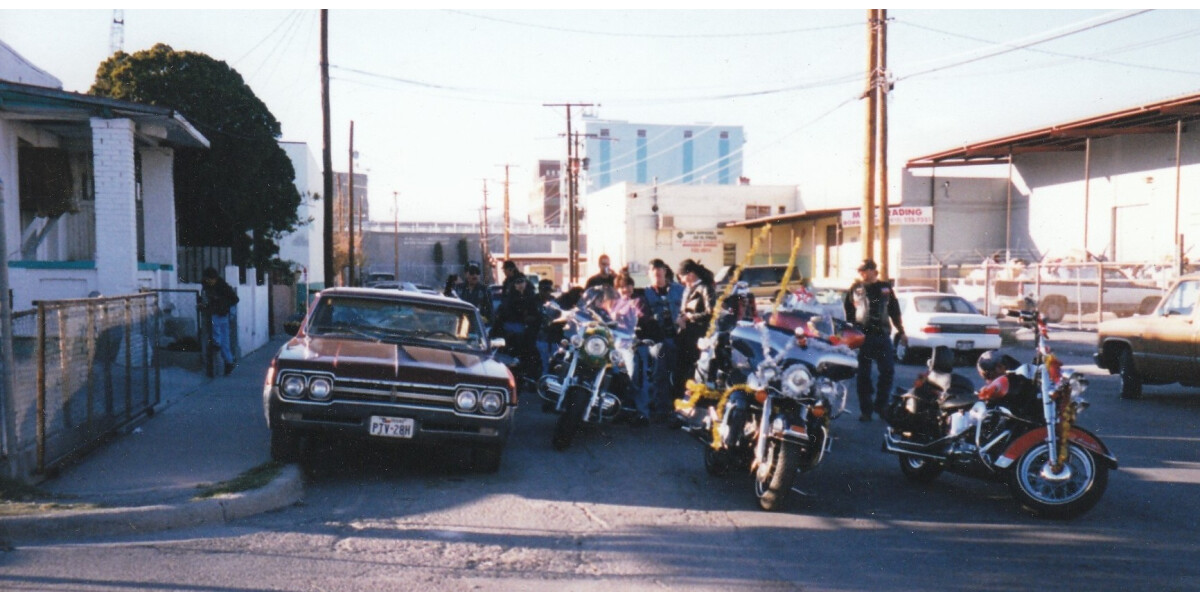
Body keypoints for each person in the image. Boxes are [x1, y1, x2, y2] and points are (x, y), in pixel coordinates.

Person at [843, 258, 906, 422]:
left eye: (864, 270)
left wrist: (901, 331)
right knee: (863, 374)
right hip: (863, 336)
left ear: (873, 270)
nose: (861, 273)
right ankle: (866, 410)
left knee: (887, 371)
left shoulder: (885, 288)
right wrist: (850, 332)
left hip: (882, 335)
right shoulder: (856, 289)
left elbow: (894, 311)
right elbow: (848, 312)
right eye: (860, 271)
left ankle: (881, 405)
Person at [640, 260, 684, 423]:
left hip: (679, 337)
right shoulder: (645, 294)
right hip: (657, 339)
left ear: (665, 271)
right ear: (649, 274)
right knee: (660, 370)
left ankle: (681, 408)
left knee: (682, 373)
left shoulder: (679, 290)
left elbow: (690, 307)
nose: (656, 272)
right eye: (653, 270)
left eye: (659, 269)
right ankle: (662, 409)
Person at [675, 259, 715, 401]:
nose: (683, 282)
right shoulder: (687, 290)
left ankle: (694, 400)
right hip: (685, 334)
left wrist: (690, 317)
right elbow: (683, 310)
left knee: (695, 369)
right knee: (684, 368)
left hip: (699, 335)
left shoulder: (705, 288)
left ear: (690, 274)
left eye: (683, 278)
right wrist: (681, 319)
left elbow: (711, 312)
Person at [493, 274, 542, 388]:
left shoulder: (532, 297)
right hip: (511, 335)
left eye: (522, 281)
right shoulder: (509, 298)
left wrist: (529, 319)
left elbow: (537, 315)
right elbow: (502, 316)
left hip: (528, 334)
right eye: (517, 282)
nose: (520, 285)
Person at [200, 267, 240, 375]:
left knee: (223, 338)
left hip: (222, 314)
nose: (210, 282)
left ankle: (228, 361)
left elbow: (235, 299)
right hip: (217, 314)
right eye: (209, 280)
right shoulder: (207, 286)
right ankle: (227, 359)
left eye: (212, 280)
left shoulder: (222, 286)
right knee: (220, 335)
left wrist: (221, 302)